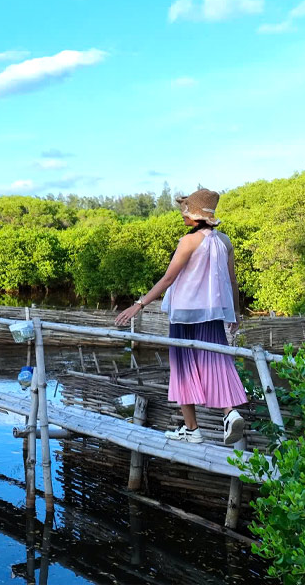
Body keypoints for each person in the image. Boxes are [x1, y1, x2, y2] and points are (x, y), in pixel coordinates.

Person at [114, 189, 247, 445]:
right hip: (212, 314)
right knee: (217, 363)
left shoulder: (188, 242)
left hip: (185, 315)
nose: (182, 216)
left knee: (183, 368)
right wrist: (236, 313)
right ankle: (230, 413)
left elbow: (168, 278)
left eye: (186, 212)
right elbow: (232, 281)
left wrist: (139, 304)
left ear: (194, 217)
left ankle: (192, 429)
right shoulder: (224, 242)